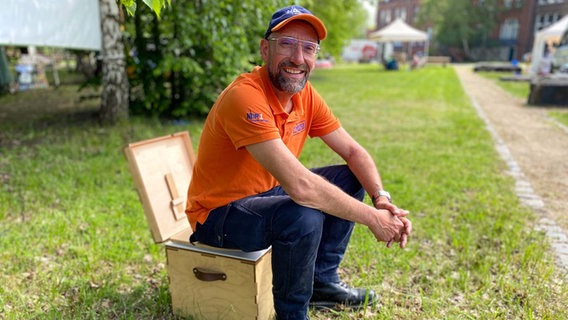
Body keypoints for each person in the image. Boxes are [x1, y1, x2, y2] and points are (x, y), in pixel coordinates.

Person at [185, 5, 412, 320]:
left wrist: (382, 200)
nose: (298, 58)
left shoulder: (305, 95)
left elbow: (355, 153)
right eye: (287, 44)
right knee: (303, 215)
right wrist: (373, 219)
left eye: (309, 48)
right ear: (266, 49)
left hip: (265, 195)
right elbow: (301, 187)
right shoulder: (245, 97)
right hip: (217, 215)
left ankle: (322, 284)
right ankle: (293, 315)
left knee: (352, 177)